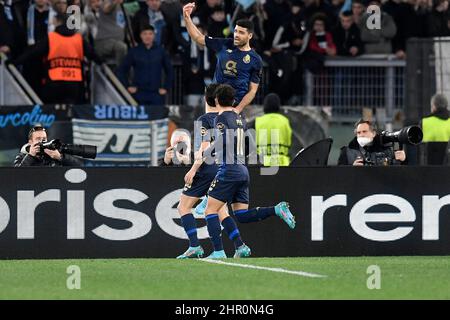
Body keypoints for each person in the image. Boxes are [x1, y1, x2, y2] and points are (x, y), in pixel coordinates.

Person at [196, 84, 296, 259]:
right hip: (243, 170)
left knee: (210, 211)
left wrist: (208, 151)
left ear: (217, 100)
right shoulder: (239, 118)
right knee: (241, 215)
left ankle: (218, 251)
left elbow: (224, 140)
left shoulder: (221, 118)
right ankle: (276, 210)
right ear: (234, 100)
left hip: (229, 169)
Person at [174, 83, 249, 259]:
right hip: (226, 167)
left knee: (183, 206)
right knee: (221, 211)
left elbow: (204, 150)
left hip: (208, 168)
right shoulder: (234, 117)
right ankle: (240, 245)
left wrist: (193, 169)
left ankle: (195, 246)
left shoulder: (205, 120)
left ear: (207, 99)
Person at [183, 2, 263, 113]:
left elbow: (252, 91)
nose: (237, 35)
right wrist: (187, 18)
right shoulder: (225, 44)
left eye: (241, 32)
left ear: (249, 36)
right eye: (235, 31)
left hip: (235, 107)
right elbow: (198, 38)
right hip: (214, 105)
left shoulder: (255, 59)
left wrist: (238, 109)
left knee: (232, 130)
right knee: (207, 128)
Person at [11, 13, 102, 104]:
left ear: (57, 21)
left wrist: (15, 62)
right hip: (74, 83)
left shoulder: (51, 38)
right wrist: (102, 62)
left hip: (54, 82)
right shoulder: (78, 39)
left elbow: (32, 52)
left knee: (54, 112)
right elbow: (93, 54)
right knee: (70, 112)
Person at [117, 24, 173, 106]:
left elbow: (170, 70)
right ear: (141, 36)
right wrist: (127, 86)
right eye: (145, 34)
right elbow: (121, 70)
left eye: (150, 34)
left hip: (156, 94)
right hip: (138, 93)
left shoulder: (161, 51)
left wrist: (166, 87)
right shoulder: (134, 51)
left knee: (157, 117)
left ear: (154, 35)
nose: (148, 36)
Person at [338, 119, 407, 166]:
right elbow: (338, 176)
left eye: (364, 131)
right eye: (358, 133)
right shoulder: (346, 152)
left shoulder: (387, 150)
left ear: (373, 133)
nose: (361, 135)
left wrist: (403, 161)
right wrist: (352, 169)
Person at [14, 125, 84, 167]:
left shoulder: (54, 153)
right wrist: (30, 156)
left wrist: (60, 157)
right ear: (30, 142)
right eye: (38, 139)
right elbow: (16, 176)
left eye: (44, 139)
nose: (42, 141)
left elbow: (80, 166)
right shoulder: (22, 156)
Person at [255, 93, 292, 166]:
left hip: (263, 163)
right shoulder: (285, 121)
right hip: (282, 163)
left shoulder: (258, 121)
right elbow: (288, 141)